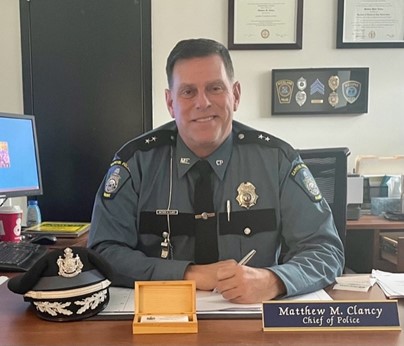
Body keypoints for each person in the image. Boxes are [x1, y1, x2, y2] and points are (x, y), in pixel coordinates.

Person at [88, 38, 344, 304]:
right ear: (169, 102)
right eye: (188, 92)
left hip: (252, 320)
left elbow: (325, 250)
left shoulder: (276, 160)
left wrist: (275, 281)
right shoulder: (136, 163)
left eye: (215, 88)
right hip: (161, 319)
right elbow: (103, 252)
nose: (203, 102)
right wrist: (189, 275)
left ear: (235, 95)